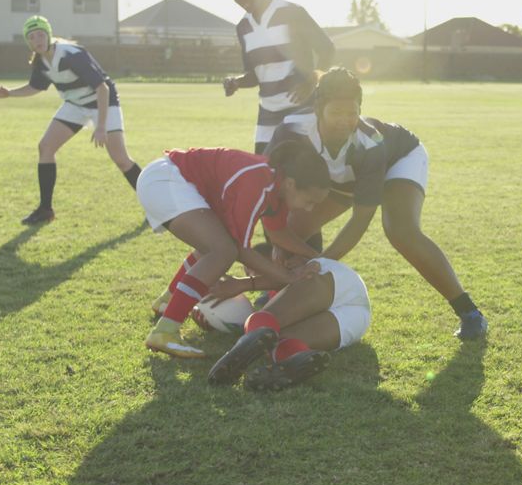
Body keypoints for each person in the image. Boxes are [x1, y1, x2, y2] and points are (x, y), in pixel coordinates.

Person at [267, 67, 488, 340]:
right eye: (336, 113)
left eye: (352, 113)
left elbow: (360, 219)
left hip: (399, 159)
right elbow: (274, 195)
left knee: (400, 230)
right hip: (346, 176)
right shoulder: (290, 131)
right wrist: (280, 245)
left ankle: (469, 312)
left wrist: (322, 262)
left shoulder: (370, 142)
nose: (344, 121)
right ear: (317, 108)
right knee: (292, 229)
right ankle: (279, 296)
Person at [137, 140, 331, 359]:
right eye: (309, 200)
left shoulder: (276, 187)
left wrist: (318, 258)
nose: (309, 208)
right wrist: (288, 276)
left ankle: (167, 302)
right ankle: (165, 331)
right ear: (292, 184)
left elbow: (279, 234)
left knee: (215, 245)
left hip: (169, 178)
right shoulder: (260, 181)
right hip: (166, 180)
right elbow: (240, 250)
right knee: (222, 250)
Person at [0, 15, 141, 225]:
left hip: (103, 102)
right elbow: (36, 87)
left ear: (48, 34)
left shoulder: (71, 54)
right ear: (28, 42)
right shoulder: (40, 61)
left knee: (121, 159)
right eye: (31, 37)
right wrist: (9, 93)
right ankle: (45, 210)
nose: (37, 40)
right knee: (46, 147)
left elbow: (101, 88)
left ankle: (159, 205)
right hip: (75, 105)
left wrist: (101, 126)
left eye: (40, 34)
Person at [223, 0, 335, 155]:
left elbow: (327, 49)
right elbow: (255, 75)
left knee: (299, 177)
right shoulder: (243, 27)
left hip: (302, 111)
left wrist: (311, 81)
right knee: (263, 174)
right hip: (267, 116)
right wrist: (236, 82)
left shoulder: (292, 12)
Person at [205, 257, 371, 390]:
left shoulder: (284, 257)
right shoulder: (268, 293)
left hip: (333, 276)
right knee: (277, 340)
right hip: (359, 318)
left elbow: (287, 276)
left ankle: (240, 349)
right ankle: (294, 361)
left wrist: (244, 283)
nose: (249, 271)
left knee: (263, 321)